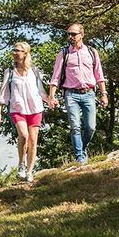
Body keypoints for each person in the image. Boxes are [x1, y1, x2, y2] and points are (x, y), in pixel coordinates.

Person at [45, 23, 108, 165]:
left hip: (89, 94)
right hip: (71, 94)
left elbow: (99, 75)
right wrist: (51, 96)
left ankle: (83, 148)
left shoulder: (92, 52)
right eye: (69, 34)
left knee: (91, 127)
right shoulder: (64, 53)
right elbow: (55, 76)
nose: (70, 37)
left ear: (82, 35)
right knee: (75, 126)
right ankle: (80, 157)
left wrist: (103, 94)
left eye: (73, 34)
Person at [0, 41, 46, 181]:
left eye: (18, 50)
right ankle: (21, 164)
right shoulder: (10, 72)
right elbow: (4, 93)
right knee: (24, 136)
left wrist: (50, 100)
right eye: (14, 50)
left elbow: (41, 91)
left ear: (25, 53)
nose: (15, 53)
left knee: (33, 140)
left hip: (35, 109)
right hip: (17, 109)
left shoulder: (34, 71)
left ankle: (30, 171)